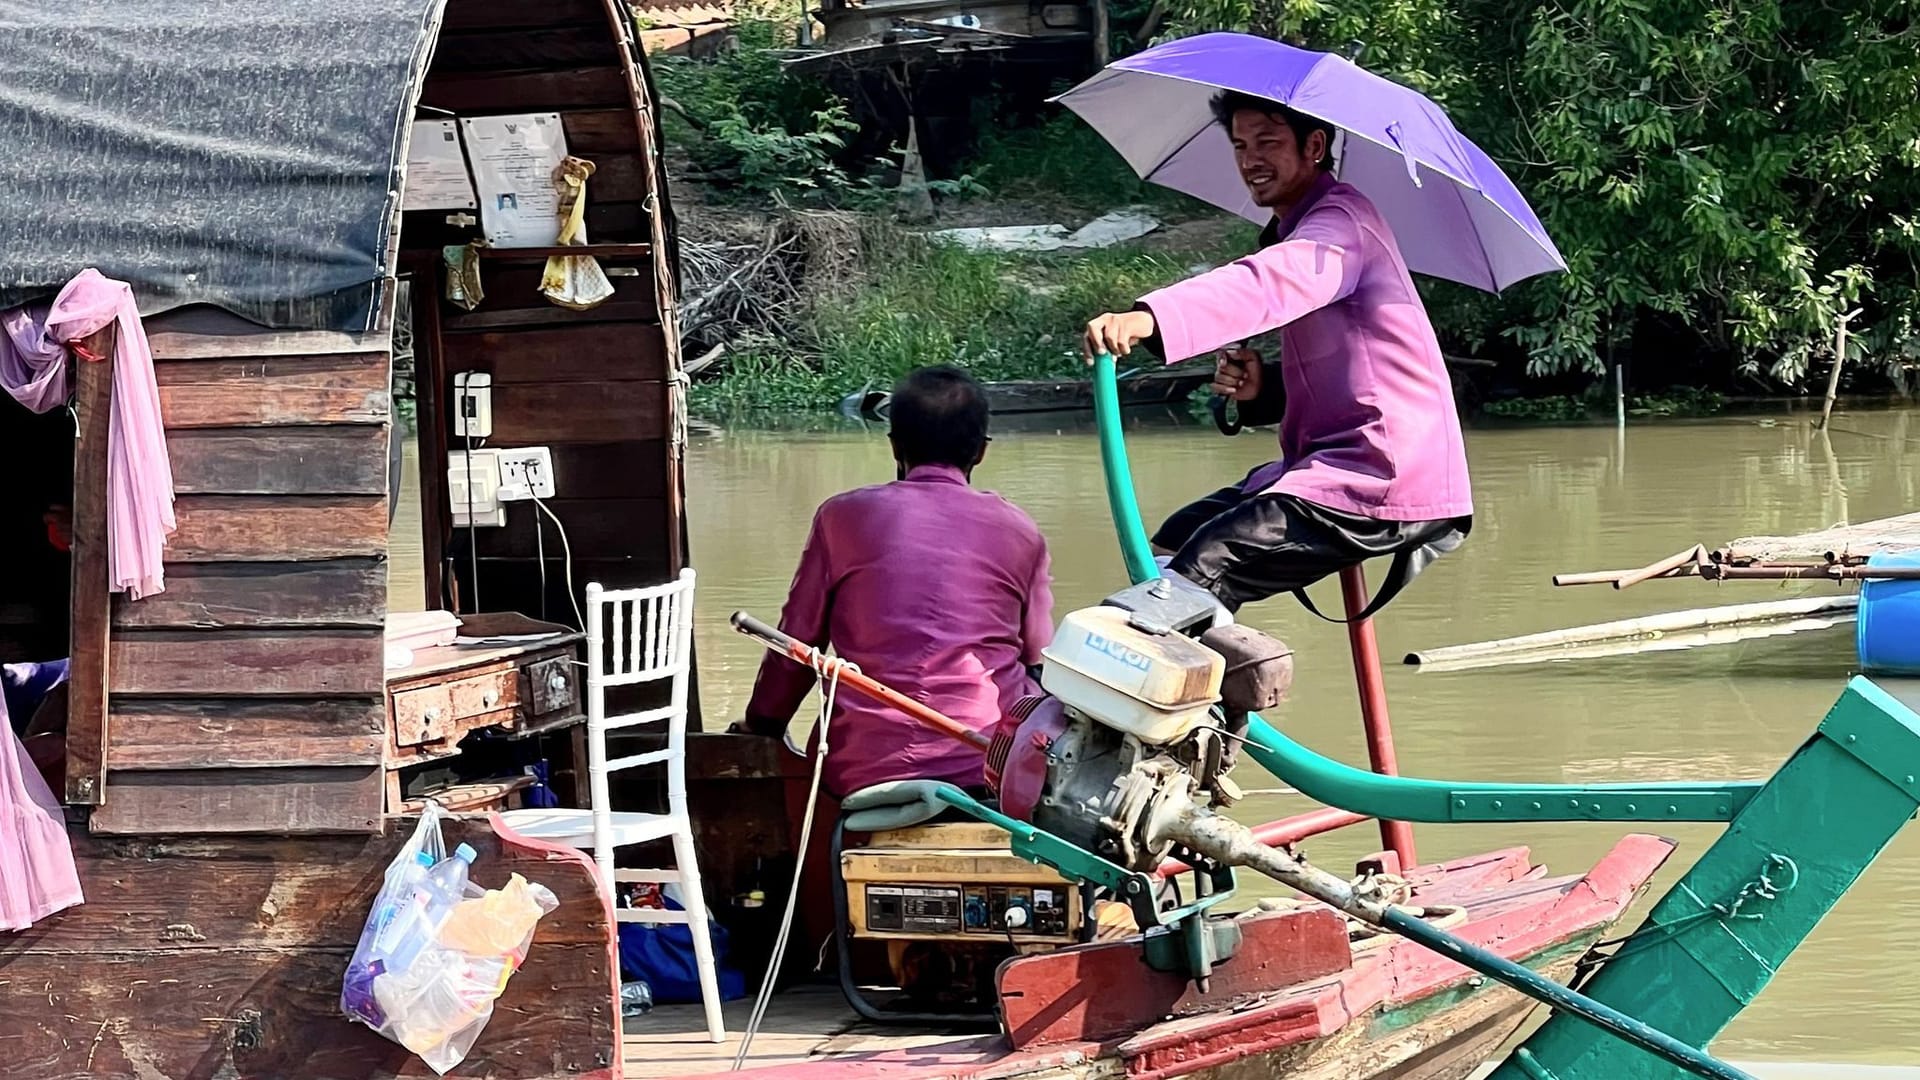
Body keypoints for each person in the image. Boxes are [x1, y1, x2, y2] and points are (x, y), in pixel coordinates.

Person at [1082, 92, 1472, 617]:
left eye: (1268, 142)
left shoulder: (1339, 228)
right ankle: (1210, 694)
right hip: (1328, 464)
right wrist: (1263, 392)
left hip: (1384, 473)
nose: (1250, 160)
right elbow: (1349, 373)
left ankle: (1155, 682)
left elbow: (1266, 285)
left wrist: (1149, 319)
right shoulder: (1300, 227)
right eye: (1240, 144)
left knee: (1201, 570)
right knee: (1174, 542)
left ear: (1314, 145)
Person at [731, 365, 1054, 799]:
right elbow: (1038, 660)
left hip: (862, 767)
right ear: (980, 452)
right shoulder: (1022, 531)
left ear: (894, 445)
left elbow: (797, 649)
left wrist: (762, 726)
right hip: (990, 764)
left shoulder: (842, 517)